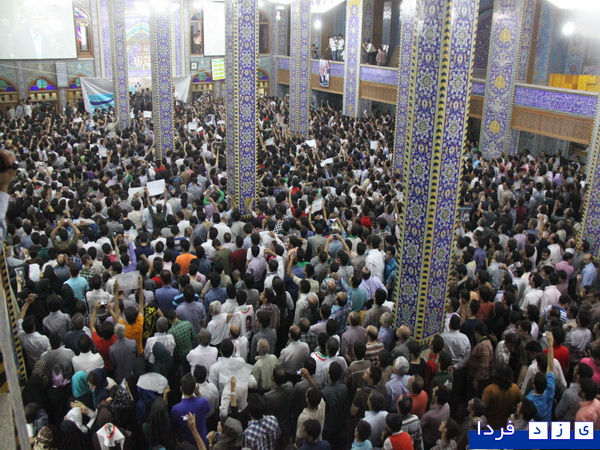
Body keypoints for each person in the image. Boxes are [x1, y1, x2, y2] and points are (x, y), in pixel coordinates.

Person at [171, 373, 210, 447]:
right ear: (195, 388)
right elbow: (208, 409)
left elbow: (174, 428)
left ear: (181, 389)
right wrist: (198, 393)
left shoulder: (176, 409)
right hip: (203, 443)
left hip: (187, 446)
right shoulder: (203, 402)